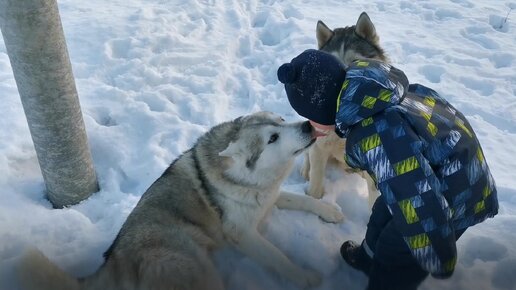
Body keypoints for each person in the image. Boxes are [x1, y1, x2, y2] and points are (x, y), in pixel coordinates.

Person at [277, 49, 498, 290]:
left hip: (456, 195)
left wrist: (437, 256)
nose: (310, 125)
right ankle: (367, 258)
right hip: (442, 169)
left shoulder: (379, 135)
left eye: (311, 118)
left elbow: (419, 202)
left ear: (324, 109)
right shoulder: (371, 93)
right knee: (384, 210)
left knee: (396, 255)